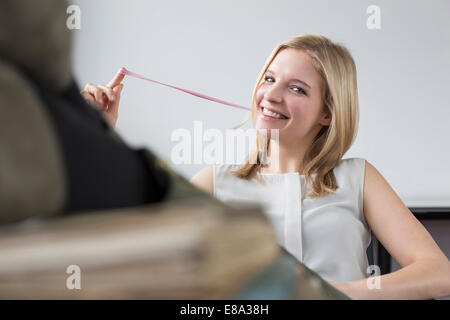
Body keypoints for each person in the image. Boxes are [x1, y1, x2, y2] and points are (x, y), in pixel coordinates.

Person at [82, 35, 450, 300]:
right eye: (270, 79)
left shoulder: (358, 178)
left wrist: (337, 294)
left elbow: (439, 273)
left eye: (297, 89)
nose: (271, 95)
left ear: (328, 113)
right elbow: (133, 248)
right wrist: (99, 136)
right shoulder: (217, 180)